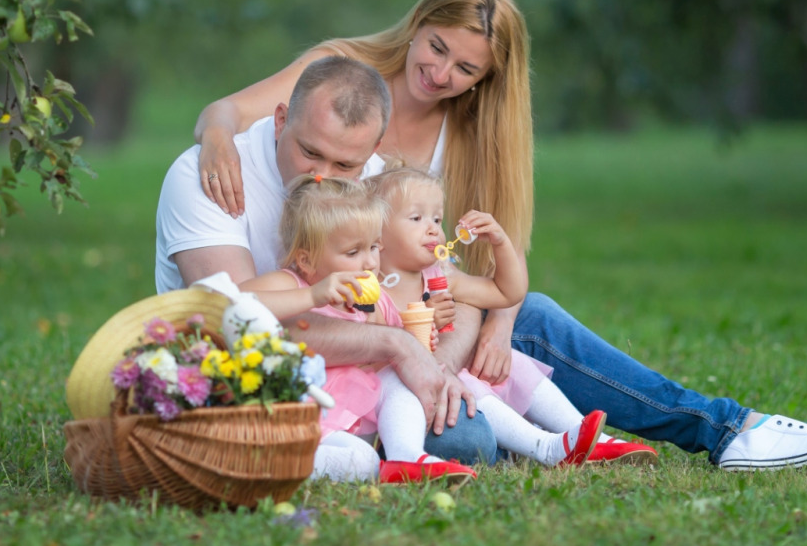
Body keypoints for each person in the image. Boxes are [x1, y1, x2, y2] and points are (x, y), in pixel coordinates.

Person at [189, 0, 807, 471]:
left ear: (486, 79)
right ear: (416, 25)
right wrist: (216, 135)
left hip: (415, 313)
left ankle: (730, 430)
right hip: (346, 326)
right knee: (499, 384)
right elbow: (232, 111)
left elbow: (494, 257)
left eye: (466, 68)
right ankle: (719, 430)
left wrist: (487, 331)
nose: (440, 73)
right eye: (434, 48)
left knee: (532, 317)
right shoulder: (339, 76)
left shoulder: (470, 134)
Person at [155, 55, 500, 466]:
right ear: (281, 120)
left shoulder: (372, 178)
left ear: (373, 150)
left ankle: (582, 435)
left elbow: (453, 287)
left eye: (345, 165)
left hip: (373, 369)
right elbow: (235, 324)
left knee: (533, 319)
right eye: (310, 152)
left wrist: (435, 365)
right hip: (266, 385)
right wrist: (399, 346)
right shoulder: (212, 174)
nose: (322, 176)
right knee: (468, 442)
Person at [368, 163, 656, 466]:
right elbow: (373, 348)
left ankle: (583, 434)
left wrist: (501, 243)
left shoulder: (440, 274)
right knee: (472, 384)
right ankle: (547, 448)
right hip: (400, 393)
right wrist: (419, 319)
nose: (433, 229)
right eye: (416, 218)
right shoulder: (371, 285)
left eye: (437, 219)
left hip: (445, 373)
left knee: (514, 363)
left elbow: (507, 292)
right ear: (377, 232)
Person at [239, 174, 480, 485]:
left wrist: (423, 336)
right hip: (305, 418)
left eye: (374, 247)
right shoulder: (292, 283)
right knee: (362, 463)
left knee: (397, 376)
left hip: (354, 414)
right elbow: (231, 302)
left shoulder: (375, 301)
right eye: (353, 253)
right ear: (307, 260)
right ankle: (262, 461)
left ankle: (407, 456)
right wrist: (312, 296)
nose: (369, 263)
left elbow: (383, 359)